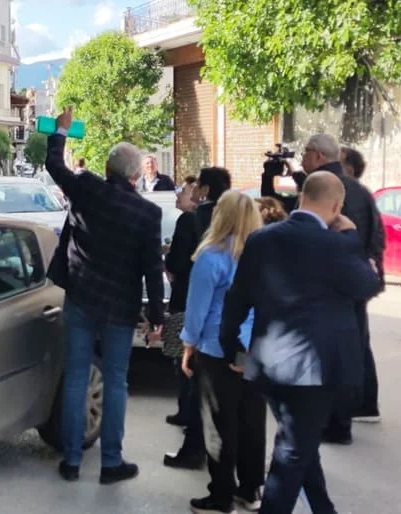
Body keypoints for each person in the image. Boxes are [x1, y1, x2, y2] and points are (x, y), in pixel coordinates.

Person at [220, 172, 383, 514]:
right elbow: (368, 285)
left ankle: (324, 509)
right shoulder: (337, 244)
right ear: (337, 207)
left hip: (269, 365)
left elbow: (237, 298)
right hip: (314, 372)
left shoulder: (261, 239)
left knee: (300, 444)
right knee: (293, 453)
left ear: (301, 197)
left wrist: (231, 346)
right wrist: (351, 236)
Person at [45, 106, 165, 485]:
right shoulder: (147, 214)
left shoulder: (87, 187)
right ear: (134, 176)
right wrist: (157, 318)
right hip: (120, 306)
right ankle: (111, 462)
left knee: (77, 376)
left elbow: (54, 166)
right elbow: (152, 270)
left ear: (108, 169)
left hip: (81, 297)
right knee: (115, 381)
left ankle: (71, 460)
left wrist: (61, 132)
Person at [180, 190, 266, 514]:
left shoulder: (211, 256)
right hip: (254, 347)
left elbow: (197, 309)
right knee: (252, 421)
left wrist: (188, 344)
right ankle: (251, 489)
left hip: (216, 347)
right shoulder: (262, 257)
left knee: (219, 424)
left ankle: (221, 495)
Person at [299, 135, 385, 437]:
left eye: (306, 152)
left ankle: (337, 421)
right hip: (356, 280)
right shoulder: (359, 190)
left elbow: (318, 238)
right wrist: (368, 270)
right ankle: (360, 407)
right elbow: (376, 236)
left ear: (319, 156)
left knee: (333, 351)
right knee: (355, 344)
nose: (302, 158)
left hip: (332, 285)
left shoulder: (324, 188)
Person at [163, 167, 233, 470]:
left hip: (190, 300)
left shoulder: (191, 220)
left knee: (189, 373)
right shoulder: (233, 221)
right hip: (228, 314)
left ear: (204, 189)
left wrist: (170, 261)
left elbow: (178, 262)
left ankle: (193, 447)